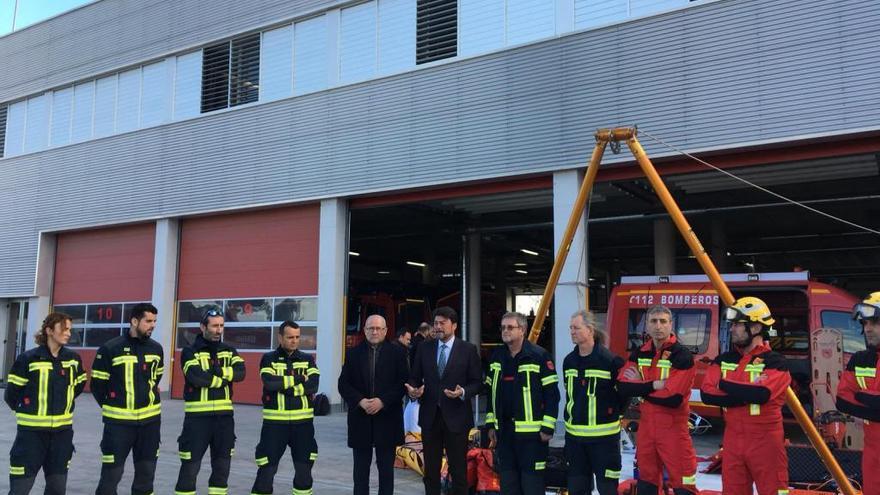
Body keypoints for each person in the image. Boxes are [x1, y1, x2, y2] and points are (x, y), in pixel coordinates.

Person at [700, 297, 791, 495]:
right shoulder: (724, 359)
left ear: (756, 327)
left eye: (737, 325)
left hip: (766, 441)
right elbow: (707, 394)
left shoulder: (775, 362)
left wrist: (723, 384)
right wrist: (746, 393)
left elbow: (761, 394)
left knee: (773, 491)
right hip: (732, 439)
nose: (732, 329)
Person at [617, 305, 697, 495]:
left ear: (671, 325)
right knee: (646, 483)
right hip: (647, 428)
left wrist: (640, 385)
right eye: (653, 321)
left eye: (663, 321)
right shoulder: (639, 353)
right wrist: (653, 385)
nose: (658, 326)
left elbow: (673, 398)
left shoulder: (682, 356)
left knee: (683, 485)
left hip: (673, 429)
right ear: (647, 325)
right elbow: (622, 386)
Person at [5, 312, 87, 495]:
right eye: (64, 329)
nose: (68, 333)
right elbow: (11, 395)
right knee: (20, 488)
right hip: (30, 437)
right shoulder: (28, 359)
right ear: (49, 330)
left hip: (61, 436)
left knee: (57, 489)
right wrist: (28, 411)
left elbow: (79, 386)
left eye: (69, 330)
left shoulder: (73, 360)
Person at [406, 307, 482, 495]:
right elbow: (414, 377)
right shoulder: (425, 348)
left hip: (457, 419)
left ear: (454, 325)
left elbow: (478, 383)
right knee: (430, 472)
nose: (438, 327)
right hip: (430, 418)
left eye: (442, 323)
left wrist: (463, 391)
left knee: (458, 471)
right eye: (436, 323)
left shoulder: (468, 350)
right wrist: (414, 390)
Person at [483, 311, 559, 495]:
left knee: (532, 486)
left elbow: (552, 395)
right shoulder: (497, 357)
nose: (505, 331)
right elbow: (490, 393)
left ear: (523, 330)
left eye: (510, 327)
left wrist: (547, 428)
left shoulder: (539, 356)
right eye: (503, 327)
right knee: (509, 486)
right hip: (505, 435)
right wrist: (491, 425)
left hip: (532, 438)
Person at [91, 303, 164, 495]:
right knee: (111, 476)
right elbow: (98, 387)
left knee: (146, 477)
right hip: (118, 426)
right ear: (134, 321)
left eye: (155, 321)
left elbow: (156, 378)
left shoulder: (157, 349)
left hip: (150, 425)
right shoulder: (110, 348)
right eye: (148, 321)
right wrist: (114, 405)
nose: (152, 325)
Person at [174, 308, 246, 495]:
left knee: (222, 470)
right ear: (202, 327)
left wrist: (218, 373)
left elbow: (241, 373)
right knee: (190, 470)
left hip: (224, 420)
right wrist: (223, 379)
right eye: (214, 326)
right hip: (197, 421)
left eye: (221, 326)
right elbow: (196, 377)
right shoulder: (190, 351)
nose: (218, 330)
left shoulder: (229, 350)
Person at [338, 315, 410, 495]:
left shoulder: (398, 354)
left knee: (386, 472)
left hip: (387, 420)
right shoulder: (353, 353)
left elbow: (403, 382)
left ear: (386, 331)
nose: (374, 331)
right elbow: (343, 384)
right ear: (365, 330)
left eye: (378, 328)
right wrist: (360, 401)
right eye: (371, 328)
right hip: (360, 419)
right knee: (360, 473)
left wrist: (383, 401)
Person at [251, 321, 320, 495]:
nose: (294, 341)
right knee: (266, 471)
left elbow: (313, 386)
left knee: (304, 473)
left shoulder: (307, 359)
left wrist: (285, 386)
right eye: (290, 337)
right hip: (275, 425)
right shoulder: (268, 358)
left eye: (297, 337)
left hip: (303, 426)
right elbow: (270, 383)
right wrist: (298, 380)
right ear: (280, 337)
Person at [562, 310, 626, 495]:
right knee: (577, 489)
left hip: (604, 442)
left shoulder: (610, 361)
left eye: (576, 328)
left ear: (590, 330)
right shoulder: (569, 361)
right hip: (575, 441)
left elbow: (623, 395)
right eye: (570, 328)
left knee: (607, 489)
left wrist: (612, 413)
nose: (572, 331)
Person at [836, 292, 880, 495]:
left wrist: (861, 395)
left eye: (874, 323)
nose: (867, 329)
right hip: (871, 449)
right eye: (865, 323)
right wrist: (873, 403)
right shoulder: (860, 359)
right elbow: (842, 400)